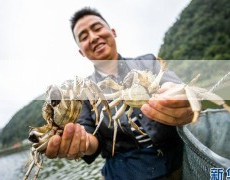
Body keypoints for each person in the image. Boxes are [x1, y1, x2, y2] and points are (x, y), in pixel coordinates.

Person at [45, 7, 193, 179]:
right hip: (125, 172)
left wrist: (182, 98)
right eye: (84, 37)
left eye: (97, 28)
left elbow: (176, 86)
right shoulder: (84, 92)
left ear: (113, 32)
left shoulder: (149, 62)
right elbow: (91, 138)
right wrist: (80, 141)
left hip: (178, 159)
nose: (93, 37)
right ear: (81, 52)